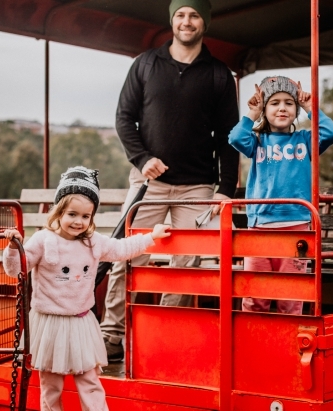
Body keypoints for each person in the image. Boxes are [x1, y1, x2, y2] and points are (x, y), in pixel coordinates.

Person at [102, 0, 240, 361]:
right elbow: (123, 118)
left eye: (194, 15)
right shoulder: (146, 64)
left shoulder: (219, 75)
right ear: (172, 20)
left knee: (186, 262)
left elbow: (230, 135)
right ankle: (112, 336)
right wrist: (142, 158)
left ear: (204, 23)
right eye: (180, 14)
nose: (186, 21)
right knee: (126, 257)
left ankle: (160, 331)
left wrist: (226, 189)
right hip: (149, 182)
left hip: (196, 185)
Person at [2, 166, 170, 411]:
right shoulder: (42, 240)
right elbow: (16, 269)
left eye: (85, 216)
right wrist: (12, 247)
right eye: (72, 214)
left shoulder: (94, 242)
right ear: (59, 211)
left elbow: (121, 249)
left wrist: (150, 237)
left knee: (89, 380)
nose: (78, 222)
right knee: (51, 383)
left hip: (81, 322)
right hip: (50, 323)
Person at [228, 76, 333, 314]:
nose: (282, 108)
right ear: (265, 109)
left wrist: (311, 108)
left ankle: (289, 348)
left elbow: (331, 133)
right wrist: (252, 113)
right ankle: (255, 347)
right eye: (274, 103)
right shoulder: (256, 142)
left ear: (296, 109)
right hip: (260, 228)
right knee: (256, 296)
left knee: (290, 297)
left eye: (289, 103)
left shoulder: (305, 140)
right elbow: (235, 138)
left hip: (296, 226)